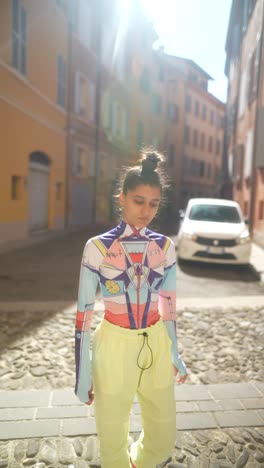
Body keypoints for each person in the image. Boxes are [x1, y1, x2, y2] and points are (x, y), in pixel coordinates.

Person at [74, 150, 187, 468]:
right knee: (111, 438)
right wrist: (82, 373)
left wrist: (175, 351)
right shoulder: (97, 248)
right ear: (120, 198)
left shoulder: (166, 247)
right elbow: (83, 314)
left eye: (153, 203)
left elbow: (168, 304)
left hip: (156, 342)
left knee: (163, 436)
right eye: (139, 201)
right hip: (113, 342)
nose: (146, 210)